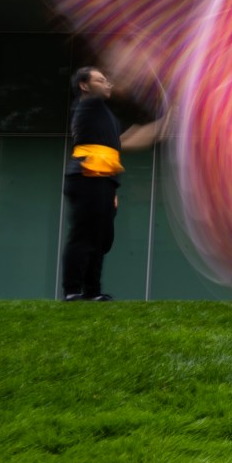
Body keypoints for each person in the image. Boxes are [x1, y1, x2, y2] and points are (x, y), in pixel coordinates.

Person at [61, 67, 165, 302]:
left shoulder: (106, 116)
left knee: (101, 238)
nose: (107, 83)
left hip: (104, 179)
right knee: (83, 235)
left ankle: (92, 291)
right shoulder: (88, 105)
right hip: (87, 175)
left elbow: (124, 142)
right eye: (100, 80)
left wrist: (163, 124)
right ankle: (72, 290)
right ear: (84, 86)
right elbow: (123, 85)